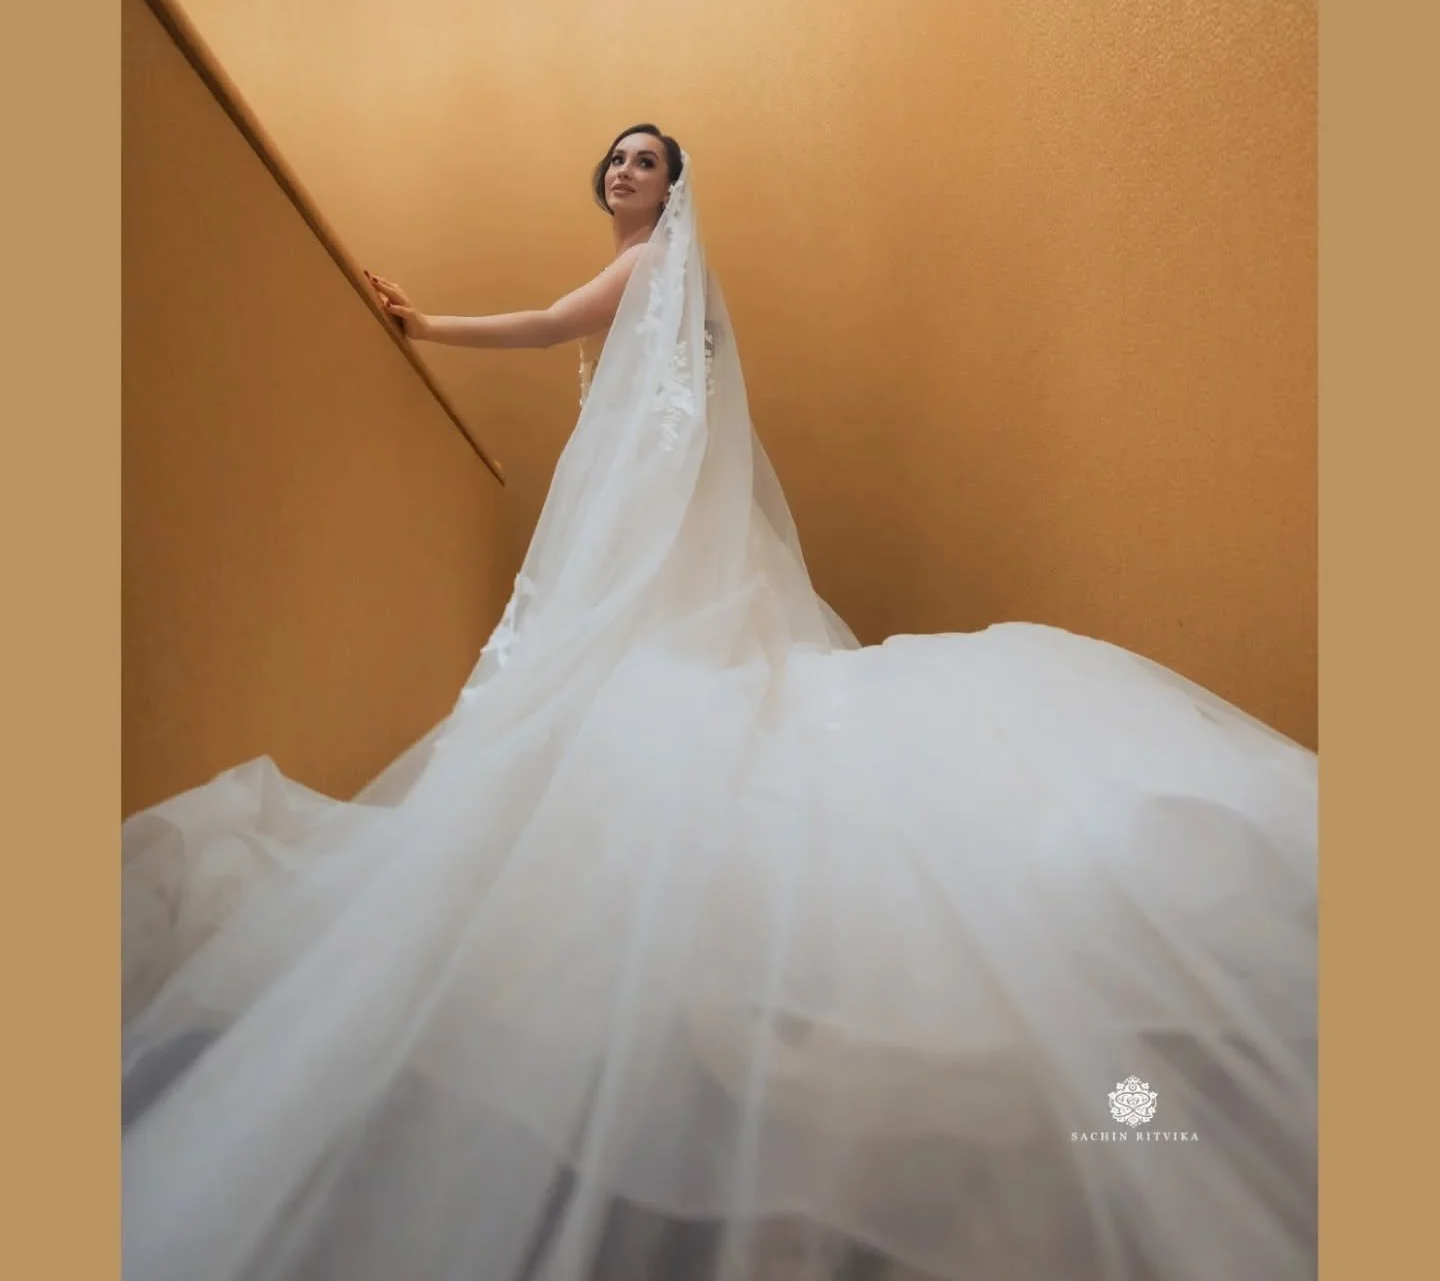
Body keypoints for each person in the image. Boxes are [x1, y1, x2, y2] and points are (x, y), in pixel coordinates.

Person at [122, 125, 1317, 1281]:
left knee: (635, 664)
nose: (627, 169)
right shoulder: (668, 277)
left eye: (648, 160)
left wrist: (421, 321)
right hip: (670, 482)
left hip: (652, 492)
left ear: (667, 193)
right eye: (619, 157)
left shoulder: (648, 265)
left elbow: (548, 326)